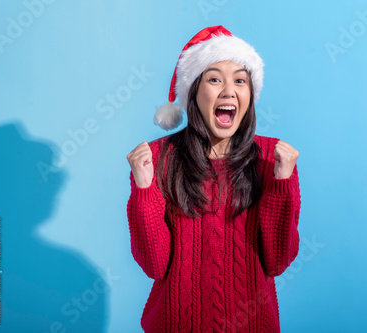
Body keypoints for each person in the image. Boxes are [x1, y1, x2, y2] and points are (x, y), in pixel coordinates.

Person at [126, 25, 301, 333]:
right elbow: (154, 264)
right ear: (194, 92)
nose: (229, 90)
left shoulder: (273, 159)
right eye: (215, 79)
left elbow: (276, 261)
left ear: (250, 94)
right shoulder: (158, 158)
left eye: (240, 80)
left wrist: (281, 184)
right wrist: (143, 189)